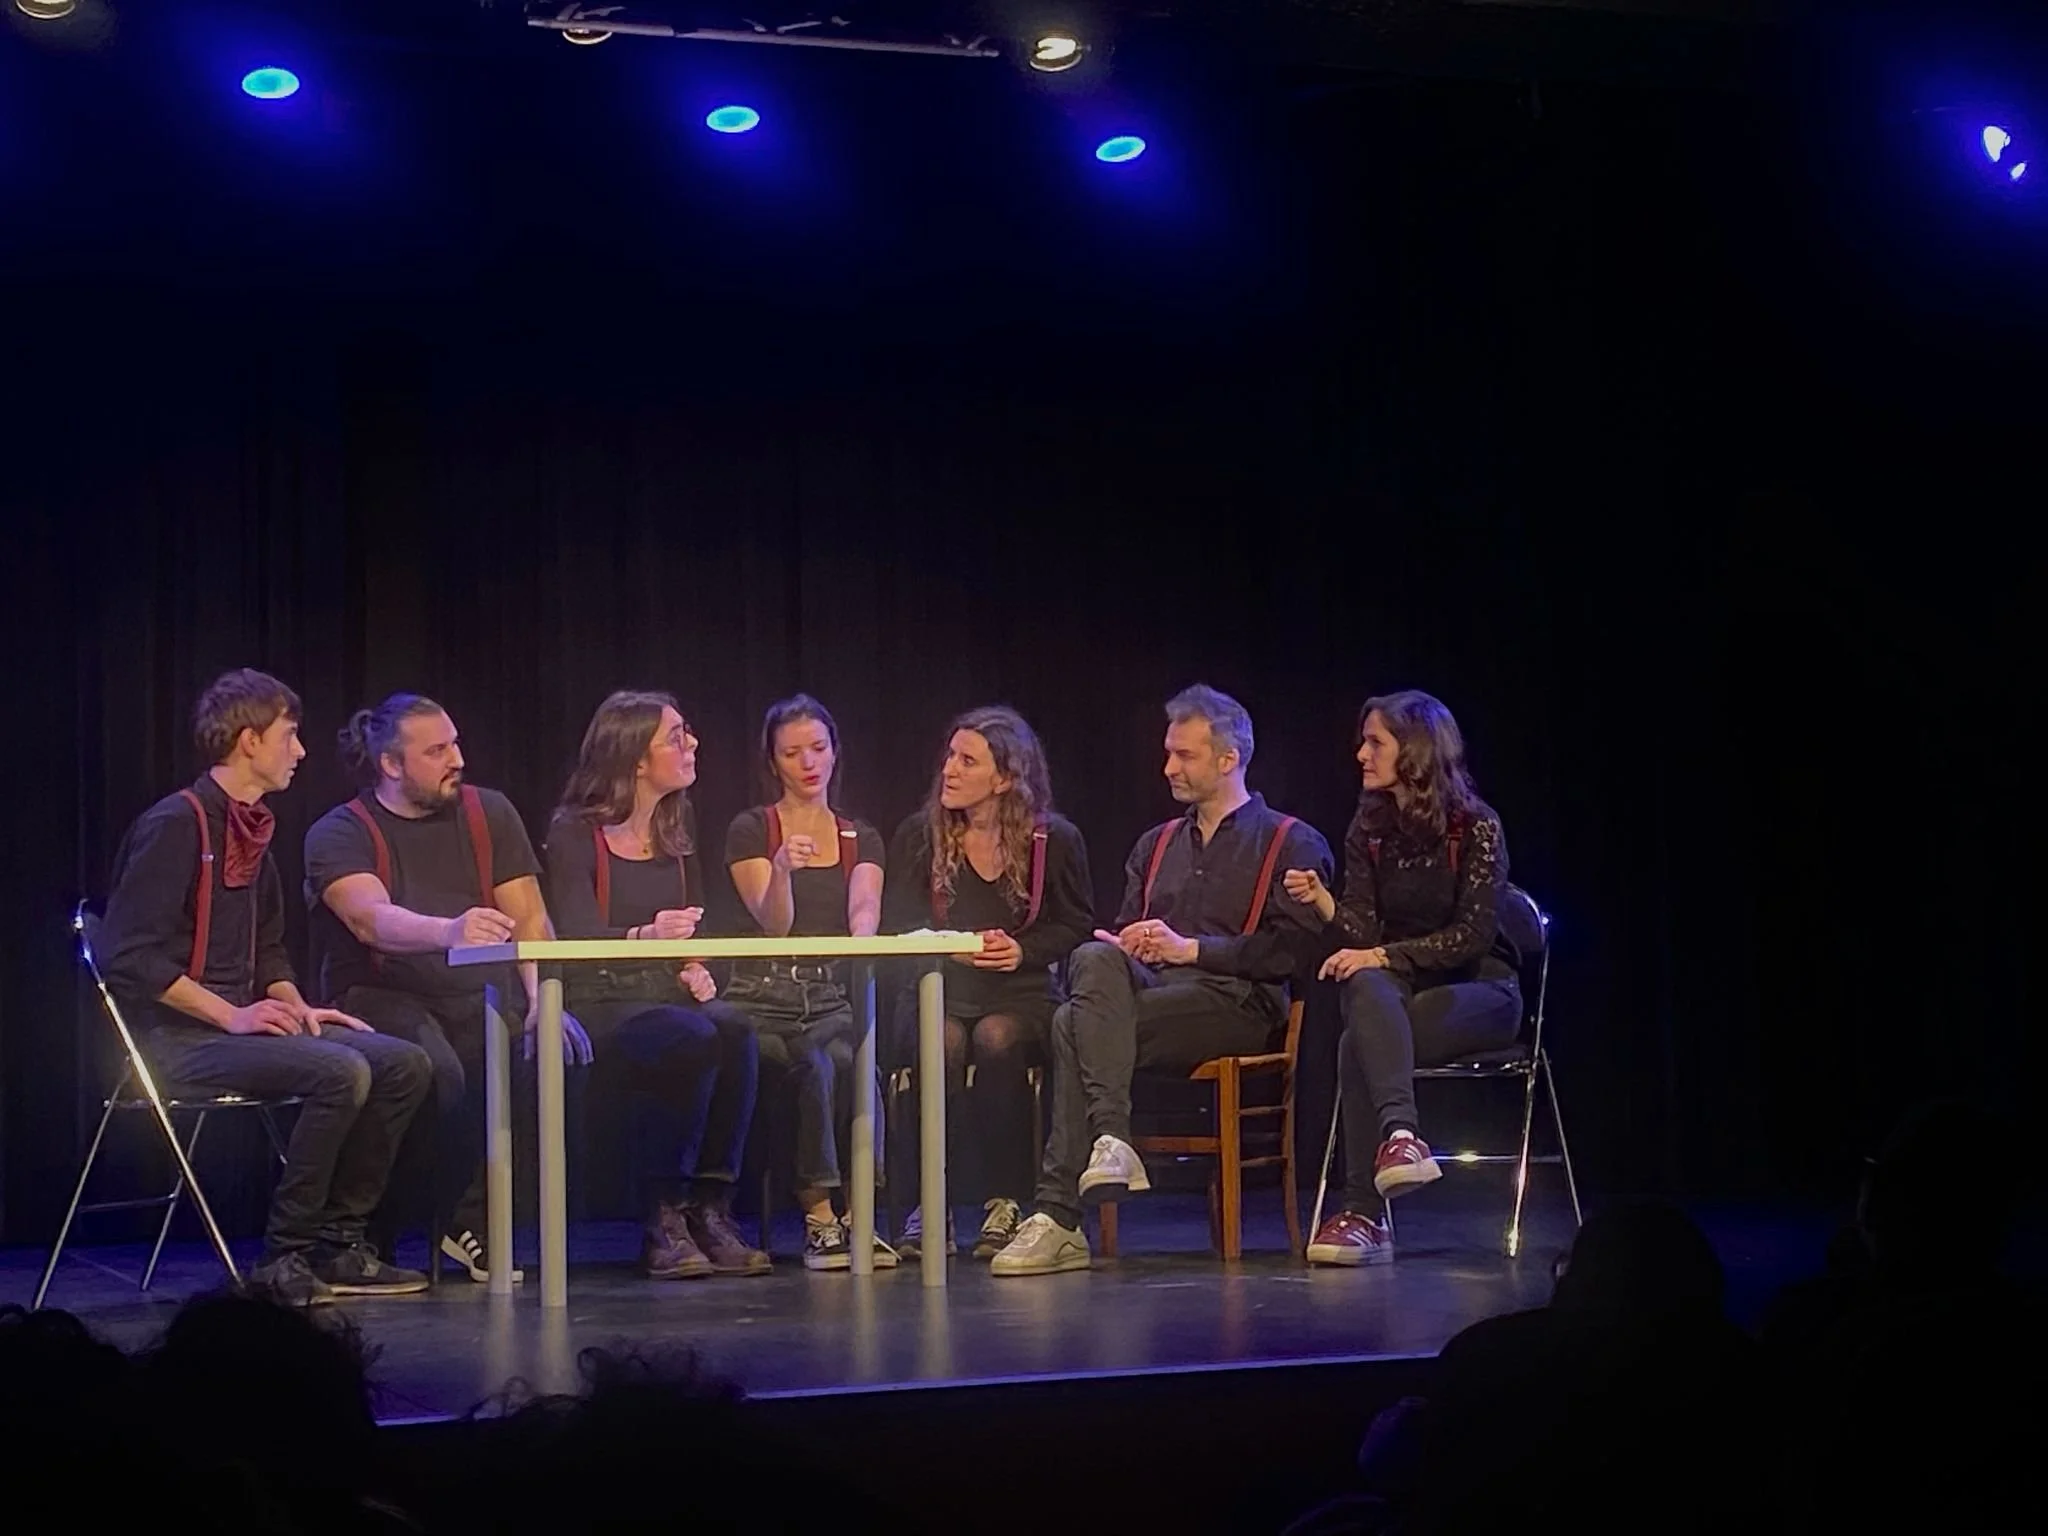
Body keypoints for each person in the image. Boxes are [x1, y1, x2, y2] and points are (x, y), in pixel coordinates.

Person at [99, 669, 432, 1305]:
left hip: (241, 1028)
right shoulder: (176, 824)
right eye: (289, 735)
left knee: (402, 1064)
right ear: (249, 741)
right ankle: (284, 1257)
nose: (300, 750)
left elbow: (270, 949)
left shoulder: (252, 828)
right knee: (341, 1072)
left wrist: (297, 1007)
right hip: (176, 1039)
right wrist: (231, 1016)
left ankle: (339, 1243)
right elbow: (130, 958)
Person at [991, 684, 1333, 1276]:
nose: (1168, 767)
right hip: (1154, 995)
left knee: (1072, 1023)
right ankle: (1110, 1146)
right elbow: (1125, 935)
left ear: (1228, 759)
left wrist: (1190, 948)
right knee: (1092, 962)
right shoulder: (1156, 844)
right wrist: (1132, 943)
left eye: (1184, 755)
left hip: (1238, 1004)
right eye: (1169, 753)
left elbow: (1291, 954)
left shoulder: (1290, 841)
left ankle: (1060, 1214)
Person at [305, 693, 591, 1285]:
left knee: (545, 1055)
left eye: (455, 744)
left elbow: (530, 916)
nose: (456, 759)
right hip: (380, 994)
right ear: (391, 764)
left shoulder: (490, 812)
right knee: (437, 1072)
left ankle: (472, 1222)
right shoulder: (341, 831)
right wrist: (449, 931)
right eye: (436, 751)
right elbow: (370, 919)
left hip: (480, 995)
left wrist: (542, 1000)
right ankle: (359, 1230)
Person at [1285, 690, 1521, 1268]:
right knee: (1364, 1001)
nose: (1360, 754)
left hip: (1481, 991)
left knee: (1360, 1036)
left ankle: (1364, 1213)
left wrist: (1383, 955)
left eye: (1375, 743)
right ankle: (1401, 1139)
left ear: (1414, 750)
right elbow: (1363, 931)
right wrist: (1324, 904)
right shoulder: (1369, 827)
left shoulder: (1477, 827)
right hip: (1400, 995)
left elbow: (1470, 937)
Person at [545, 690, 769, 1279]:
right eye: (675, 736)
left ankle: (710, 1208)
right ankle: (662, 1215)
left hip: (664, 991)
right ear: (636, 759)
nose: (691, 744)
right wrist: (645, 935)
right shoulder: (575, 832)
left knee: (736, 1028)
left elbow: (695, 922)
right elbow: (574, 935)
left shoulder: (676, 825)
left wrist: (697, 964)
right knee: (690, 1037)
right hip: (601, 997)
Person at [883, 706, 1093, 1260]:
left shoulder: (1053, 839)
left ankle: (1006, 1200)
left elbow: (1075, 924)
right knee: (944, 1040)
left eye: (967, 761)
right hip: (938, 986)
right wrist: (943, 943)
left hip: (1020, 992)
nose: (949, 769)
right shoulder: (919, 835)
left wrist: (1023, 950)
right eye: (950, 756)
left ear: (1004, 778)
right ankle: (930, 1201)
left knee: (997, 1038)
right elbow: (896, 922)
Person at [724, 693, 894, 1272]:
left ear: (835, 752)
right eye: (792, 753)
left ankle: (861, 1214)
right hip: (763, 995)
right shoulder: (753, 828)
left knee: (849, 1064)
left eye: (818, 748)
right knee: (812, 1067)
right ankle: (822, 1217)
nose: (808, 763)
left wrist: (864, 935)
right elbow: (774, 926)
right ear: (773, 762)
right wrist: (781, 870)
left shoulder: (857, 836)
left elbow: (864, 907)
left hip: (826, 997)